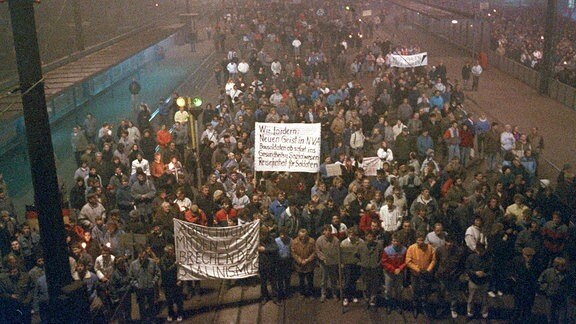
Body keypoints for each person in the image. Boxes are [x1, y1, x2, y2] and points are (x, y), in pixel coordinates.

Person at [405, 231, 437, 317]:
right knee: (415, 291)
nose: (420, 242)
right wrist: (417, 269)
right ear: (416, 240)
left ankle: (424, 307)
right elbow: (408, 261)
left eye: (422, 240)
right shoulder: (411, 248)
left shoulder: (430, 248)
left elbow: (433, 260)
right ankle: (415, 307)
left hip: (426, 274)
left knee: (425, 291)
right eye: (418, 240)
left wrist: (428, 269)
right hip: (415, 274)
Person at [435, 234, 464, 319]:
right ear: (445, 241)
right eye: (448, 242)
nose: (450, 244)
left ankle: (453, 309)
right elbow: (436, 262)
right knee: (441, 293)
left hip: (454, 277)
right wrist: (437, 272)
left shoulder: (459, 251)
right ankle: (442, 307)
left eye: (451, 242)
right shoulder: (439, 250)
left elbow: (462, 265)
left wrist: (457, 274)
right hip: (442, 276)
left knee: (454, 294)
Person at [129, 245, 160, 323]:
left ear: (146, 254)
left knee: (151, 305)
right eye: (140, 254)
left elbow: (158, 273)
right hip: (140, 289)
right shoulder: (133, 264)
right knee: (141, 306)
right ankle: (144, 321)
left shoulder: (152, 262)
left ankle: (152, 319)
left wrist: (153, 282)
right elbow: (131, 277)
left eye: (143, 254)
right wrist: (136, 284)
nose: (142, 256)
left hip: (150, 287)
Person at [509, 247, 540, 322]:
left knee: (528, 307)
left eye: (531, 256)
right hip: (519, 287)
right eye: (527, 256)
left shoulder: (535, 263)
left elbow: (537, 274)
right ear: (523, 255)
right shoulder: (516, 261)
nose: (529, 258)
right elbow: (511, 271)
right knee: (517, 306)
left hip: (530, 288)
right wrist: (514, 279)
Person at [538, 257, 570, 324]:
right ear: (556, 265)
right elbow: (540, 281)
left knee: (562, 316)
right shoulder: (548, 272)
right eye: (562, 265)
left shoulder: (567, 274)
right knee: (550, 315)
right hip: (551, 296)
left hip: (562, 297)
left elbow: (571, 283)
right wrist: (546, 288)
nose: (564, 267)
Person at [381, 232, 407, 314]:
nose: (395, 243)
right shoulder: (387, 250)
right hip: (389, 272)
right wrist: (393, 269)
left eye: (397, 241)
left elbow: (406, 261)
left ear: (400, 241)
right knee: (388, 289)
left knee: (398, 289)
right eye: (394, 241)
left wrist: (400, 268)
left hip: (399, 272)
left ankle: (398, 304)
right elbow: (384, 262)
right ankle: (389, 304)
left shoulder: (404, 249)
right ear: (391, 241)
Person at [315, 224, 340, 302]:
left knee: (333, 279)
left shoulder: (336, 240)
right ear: (323, 232)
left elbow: (338, 251)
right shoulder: (319, 240)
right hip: (324, 263)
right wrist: (323, 258)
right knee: (323, 280)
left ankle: (334, 294)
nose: (328, 232)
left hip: (333, 263)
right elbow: (318, 251)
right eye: (326, 230)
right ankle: (323, 294)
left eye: (329, 230)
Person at [465, 243, 491, 319]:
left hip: (484, 282)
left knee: (484, 299)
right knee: (471, 299)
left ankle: (484, 312)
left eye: (481, 251)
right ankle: (470, 312)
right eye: (478, 251)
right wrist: (474, 273)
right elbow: (467, 269)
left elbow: (492, 271)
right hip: (473, 281)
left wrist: (484, 274)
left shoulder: (489, 258)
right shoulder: (471, 257)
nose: (480, 253)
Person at [340, 227, 364, 307]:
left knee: (354, 280)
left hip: (356, 264)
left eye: (353, 234)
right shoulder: (343, 243)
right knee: (347, 281)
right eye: (350, 234)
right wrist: (342, 264)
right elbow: (341, 254)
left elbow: (362, 252)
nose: (351, 236)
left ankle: (353, 295)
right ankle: (346, 297)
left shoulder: (360, 242)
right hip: (347, 264)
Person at [160, 244, 183, 322]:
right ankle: (171, 314)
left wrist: (180, 279)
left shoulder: (176, 258)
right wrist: (174, 265)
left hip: (176, 282)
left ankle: (180, 314)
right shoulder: (163, 260)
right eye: (170, 251)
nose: (172, 252)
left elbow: (181, 270)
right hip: (168, 283)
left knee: (178, 299)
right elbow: (165, 271)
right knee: (169, 300)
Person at [291, 228, 316, 298]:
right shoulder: (294, 242)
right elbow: (293, 252)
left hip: (309, 264)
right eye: (301, 237)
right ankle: (302, 293)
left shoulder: (311, 241)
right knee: (301, 280)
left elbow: (314, 252)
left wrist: (307, 260)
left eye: (304, 236)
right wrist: (299, 260)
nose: (303, 238)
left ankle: (311, 293)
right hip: (299, 265)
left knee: (310, 280)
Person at [258, 227, 278, 304]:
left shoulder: (271, 239)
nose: (264, 236)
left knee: (273, 281)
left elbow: (275, 248)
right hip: (262, 265)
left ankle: (275, 296)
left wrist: (265, 249)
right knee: (263, 283)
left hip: (271, 264)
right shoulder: (257, 241)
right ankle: (264, 296)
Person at [275, 228, 292, 300]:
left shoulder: (290, 240)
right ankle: (281, 293)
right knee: (280, 279)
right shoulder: (276, 241)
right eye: (281, 234)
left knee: (287, 278)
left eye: (284, 235)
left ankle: (287, 292)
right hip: (279, 262)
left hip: (287, 261)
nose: (282, 236)